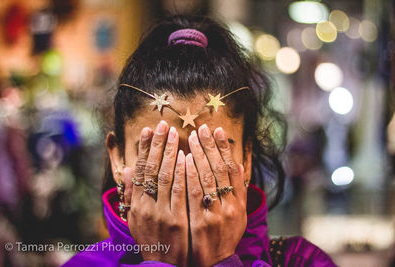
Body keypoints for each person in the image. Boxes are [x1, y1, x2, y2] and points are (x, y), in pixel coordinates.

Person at [63, 15, 336, 267]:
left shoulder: (303, 261)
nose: (186, 181)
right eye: (158, 155)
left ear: (246, 158)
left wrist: (221, 259)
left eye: (209, 153)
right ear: (118, 160)